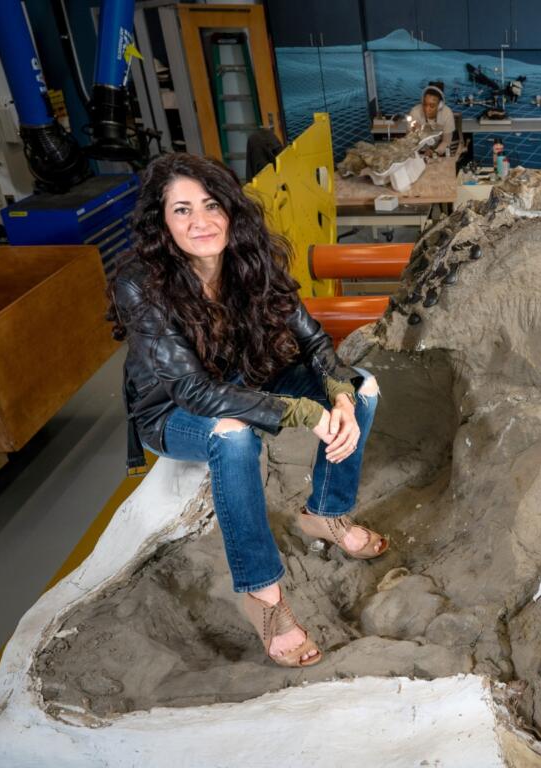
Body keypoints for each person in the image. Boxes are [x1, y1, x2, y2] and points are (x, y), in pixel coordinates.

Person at [107, 152, 387, 668]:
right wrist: (306, 414)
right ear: (162, 223)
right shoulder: (139, 283)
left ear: (231, 209)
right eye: (182, 210)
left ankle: (325, 513)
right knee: (234, 434)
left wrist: (339, 396)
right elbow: (192, 390)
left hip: (246, 379)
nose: (201, 221)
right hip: (170, 409)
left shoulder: (250, 259)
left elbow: (312, 340)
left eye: (211, 205)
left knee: (364, 386)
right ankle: (264, 596)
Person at [407, 84, 455, 156]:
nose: (427, 109)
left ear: (440, 106)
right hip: (418, 152)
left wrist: (435, 152)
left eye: (432, 106)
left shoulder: (447, 113)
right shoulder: (415, 112)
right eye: (425, 104)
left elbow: (446, 141)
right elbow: (409, 141)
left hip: (439, 152)